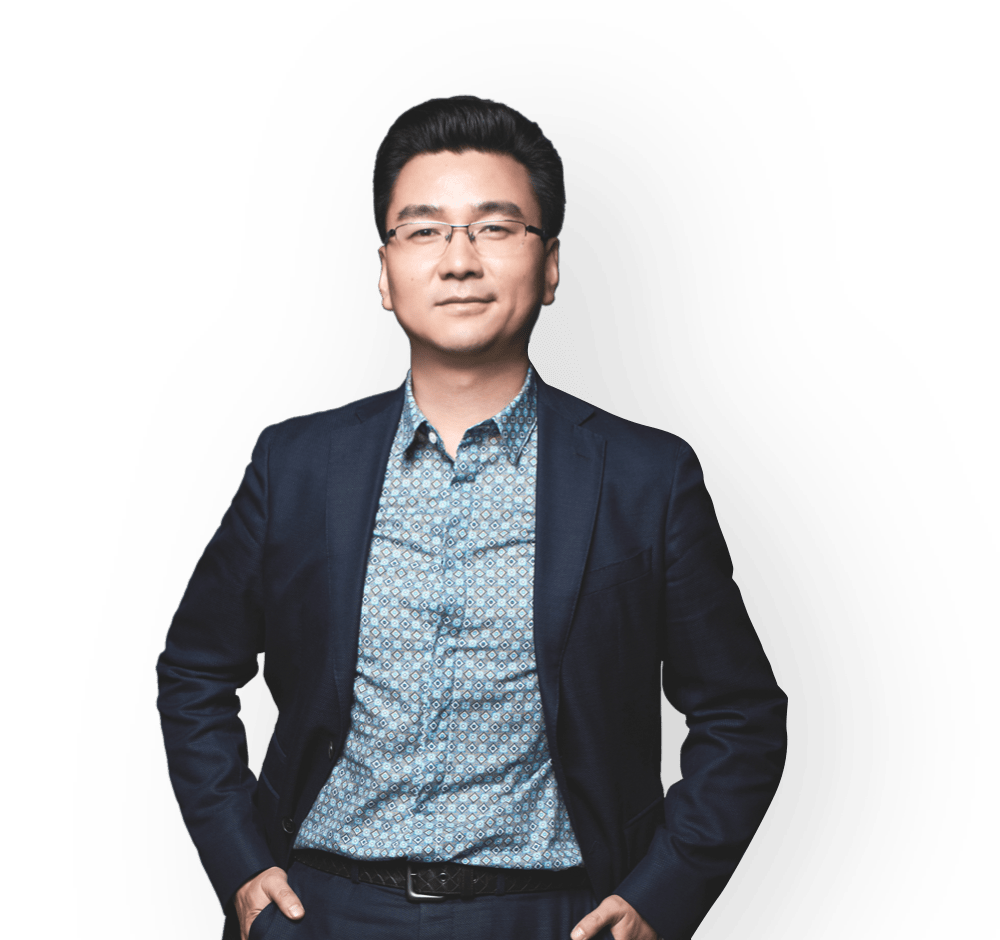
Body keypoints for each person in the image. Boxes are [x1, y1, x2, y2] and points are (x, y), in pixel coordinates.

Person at [156, 95, 788, 940]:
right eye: (423, 230)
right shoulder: (295, 463)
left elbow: (741, 716)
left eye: (495, 227)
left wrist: (659, 897)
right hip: (322, 911)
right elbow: (194, 669)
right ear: (385, 274)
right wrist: (240, 865)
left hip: (556, 916)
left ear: (551, 265)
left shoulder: (647, 477)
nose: (459, 261)